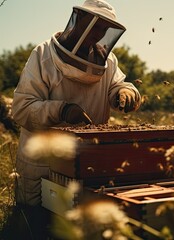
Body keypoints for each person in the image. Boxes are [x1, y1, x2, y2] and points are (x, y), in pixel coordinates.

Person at [8, 0, 141, 238]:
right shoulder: (43, 55)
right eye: (93, 27)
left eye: (103, 30)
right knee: (39, 227)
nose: (97, 35)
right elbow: (22, 108)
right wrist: (62, 111)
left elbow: (117, 84)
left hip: (89, 160)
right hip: (44, 163)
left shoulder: (107, 61)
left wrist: (125, 92)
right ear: (78, 20)